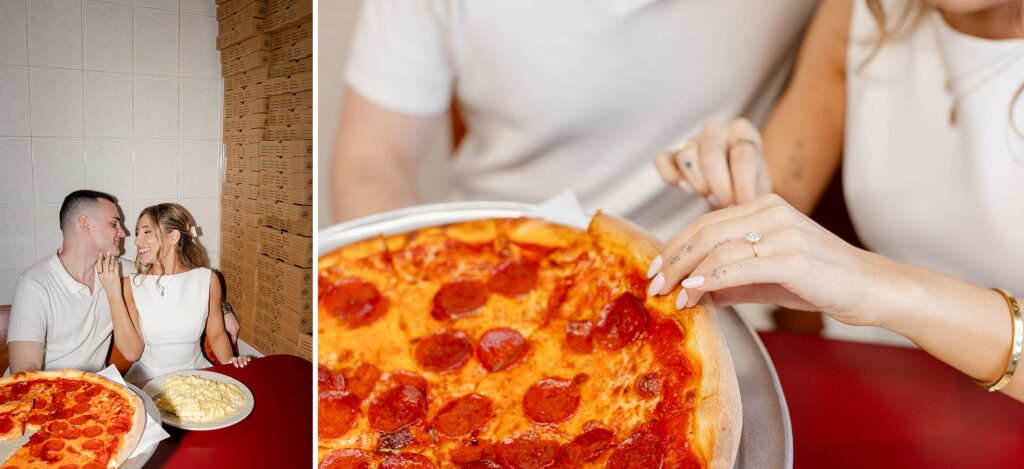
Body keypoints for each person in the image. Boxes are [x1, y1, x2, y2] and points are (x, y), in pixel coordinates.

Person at [648, 0, 1024, 401]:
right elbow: (774, 208)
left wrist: (882, 286)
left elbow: (855, 276)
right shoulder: (867, 9)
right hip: (867, 382)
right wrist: (730, 175)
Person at [331, 0, 819, 240]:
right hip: (485, 254)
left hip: (689, 272)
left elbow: (837, 72)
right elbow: (372, 156)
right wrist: (424, 270)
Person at [98, 203, 251, 381]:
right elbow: (132, 353)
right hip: (149, 382)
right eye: (138, 232)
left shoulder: (208, 280)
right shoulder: (131, 286)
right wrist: (113, 295)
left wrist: (231, 367)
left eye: (147, 232)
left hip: (198, 378)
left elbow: (217, 335)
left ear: (174, 237)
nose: (137, 240)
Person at [7, 191, 127, 374]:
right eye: (113, 223)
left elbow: (164, 271)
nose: (122, 232)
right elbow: (24, 375)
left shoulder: (117, 271)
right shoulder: (35, 285)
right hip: (47, 396)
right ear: (85, 224)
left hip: (98, 393)